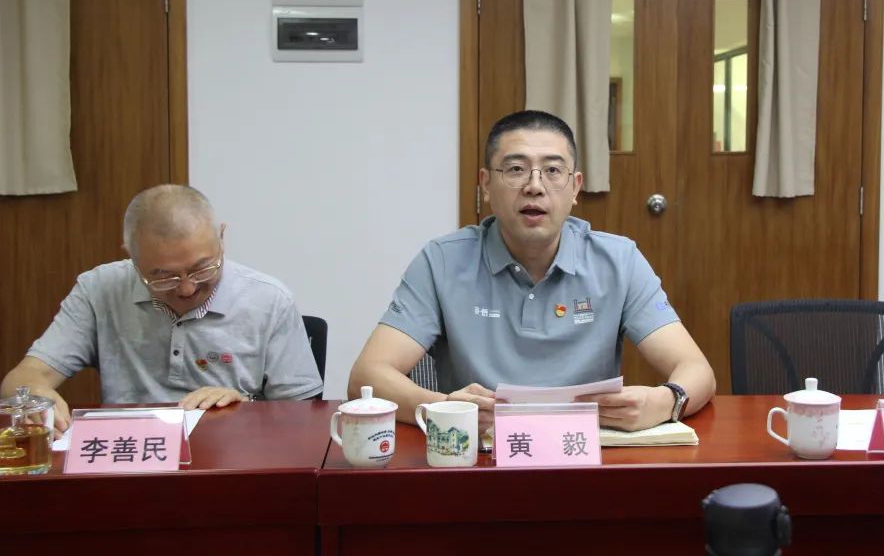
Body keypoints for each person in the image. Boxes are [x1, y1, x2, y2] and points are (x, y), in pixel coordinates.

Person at [349, 110, 715, 431]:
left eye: (553, 170)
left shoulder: (619, 261)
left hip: (584, 457)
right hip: (480, 459)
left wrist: (665, 402)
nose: (535, 187)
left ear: (575, 187)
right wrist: (445, 408)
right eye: (515, 169)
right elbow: (367, 376)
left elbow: (696, 369)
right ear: (486, 184)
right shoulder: (442, 261)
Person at [1, 185, 323, 435]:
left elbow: (303, 415)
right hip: (131, 460)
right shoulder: (99, 290)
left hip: (232, 460)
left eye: (202, 269)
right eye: (163, 277)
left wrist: (247, 405)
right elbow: (23, 378)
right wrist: (36, 395)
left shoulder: (268, 300)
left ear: (222, 238)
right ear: (132, 257)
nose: (187, 288)